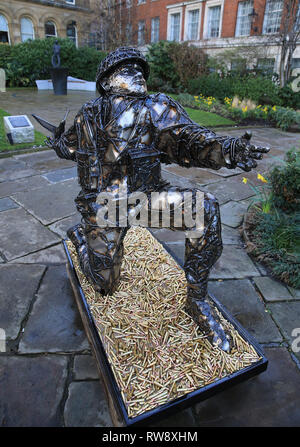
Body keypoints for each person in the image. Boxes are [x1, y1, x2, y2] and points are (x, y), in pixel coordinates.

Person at [48, 47, 269, 351]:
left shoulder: (156, 107)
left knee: (204, 210)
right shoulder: (88, 113)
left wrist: (228, 149)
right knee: (104, 285)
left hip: (144, 202)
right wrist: (58, 142)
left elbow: (189, 139)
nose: (138, 73)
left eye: (140, 69)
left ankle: (197, 301)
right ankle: (82, 240)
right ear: (107, 81)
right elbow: (72, 146)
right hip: (103, 208)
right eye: (127, 70)